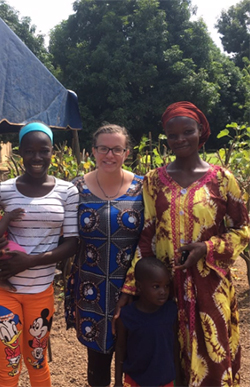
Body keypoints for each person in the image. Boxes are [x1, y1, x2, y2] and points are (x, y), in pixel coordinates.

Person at [118, 102, 250, 386]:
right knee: (167, 358)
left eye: (187, 131)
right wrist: (133, 285)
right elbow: (147, 234)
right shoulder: (154, 181)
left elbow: (243, 229)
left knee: (213, 358)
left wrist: (208, 248)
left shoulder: (223, 180)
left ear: (200, 131)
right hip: (165, 289)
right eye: (172, 134)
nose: (180, 139)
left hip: (211, 287)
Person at [0, 122, 79, 387]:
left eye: (44, 150)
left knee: (37, 360)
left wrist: (31, 261)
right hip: (3, 290)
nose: (37, 157)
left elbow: (72, 244)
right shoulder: (1, 190)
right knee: (9, 363)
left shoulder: (67, 191)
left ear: (53, 152)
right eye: (29, 151)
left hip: (41, 291)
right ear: (20, 152)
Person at [65, 124, 144, 387]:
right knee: (97, 364)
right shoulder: (75, 189)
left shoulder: (143, 188)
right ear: (93, 151)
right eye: (103, 148)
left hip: (133, 288)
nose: (109, 155)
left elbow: (153, 237)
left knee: (136, 359)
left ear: (126, 152)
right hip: (91, 288)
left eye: (117, 149)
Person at [115, 256, 180, 387]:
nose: (163, 292)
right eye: (156, 286)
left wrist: (178, 378)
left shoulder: (171, 311)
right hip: (136, 380)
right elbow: (120, 348)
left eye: (166, 286)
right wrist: (117, 382)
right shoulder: (127, 316)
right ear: (139, 286)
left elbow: (174, 346)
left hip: (165, 380)